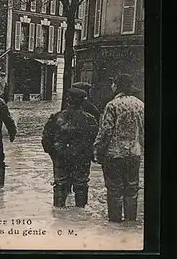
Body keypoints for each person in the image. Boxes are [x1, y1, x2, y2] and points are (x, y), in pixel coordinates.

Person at [93, 73, 144, 223]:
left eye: (113, 83)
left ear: (118, 86)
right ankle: (130, 222)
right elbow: (143, 131)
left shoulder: (112, 105)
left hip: (114, 154)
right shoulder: (140, 105)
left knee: (114, 189)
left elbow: (106, 131)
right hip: (134, 153)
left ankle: (115, 223)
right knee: (132, 188)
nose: (112, 86)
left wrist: (97, 150)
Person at [41, 88, 99, 208]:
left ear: (68, 100)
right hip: (82, 158)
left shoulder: (56, 117)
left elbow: (46, 139)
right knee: (81, 185)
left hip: (61, 157)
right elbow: (95, 140)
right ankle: (80, 216)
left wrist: (53, 154)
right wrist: (91, 155)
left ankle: (59, 216)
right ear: (83, 102)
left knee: (60, 185)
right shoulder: (90, 119)